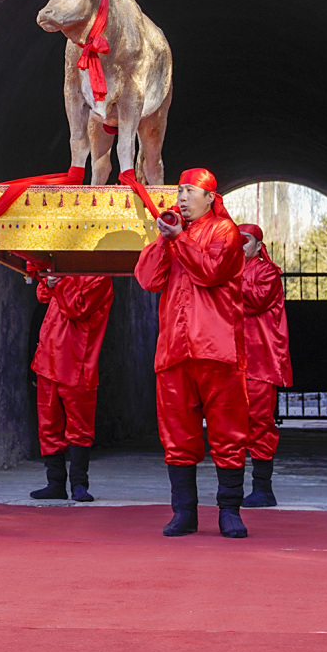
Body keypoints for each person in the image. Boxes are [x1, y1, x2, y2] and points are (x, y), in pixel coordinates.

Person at [137, 168, 251, 539]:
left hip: (217, 348)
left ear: (210, 197)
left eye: (189, 191)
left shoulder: (225, 231)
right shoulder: (172, 233)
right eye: (180, 191)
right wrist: (163, 239)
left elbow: (211, 272)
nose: (182, 197)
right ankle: (183, 512)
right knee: (177, 435)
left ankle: (230, 510)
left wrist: (180, 240)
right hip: (174, 349)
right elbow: (148, 279)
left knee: (228, 432)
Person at [26, 269, 112, 503]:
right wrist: (51, 281)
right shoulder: (64, 270)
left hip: (78, 361)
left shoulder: (100, 278)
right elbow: (42, 294)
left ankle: (79, 483)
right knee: (49, 425)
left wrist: (59, 283)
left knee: (79, 427)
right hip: (48, 358)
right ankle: (55, 483)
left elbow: (77, 308)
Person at [238, 225, 291, 509]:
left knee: (259, 422)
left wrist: (226, 275)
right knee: (231, 424)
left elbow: (253, 301)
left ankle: (262, 488)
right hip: (230, 361)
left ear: (258, 246)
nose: (238, 247)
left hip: (259, 361)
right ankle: (234, 486)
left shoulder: (268, 273)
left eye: (244, 242)